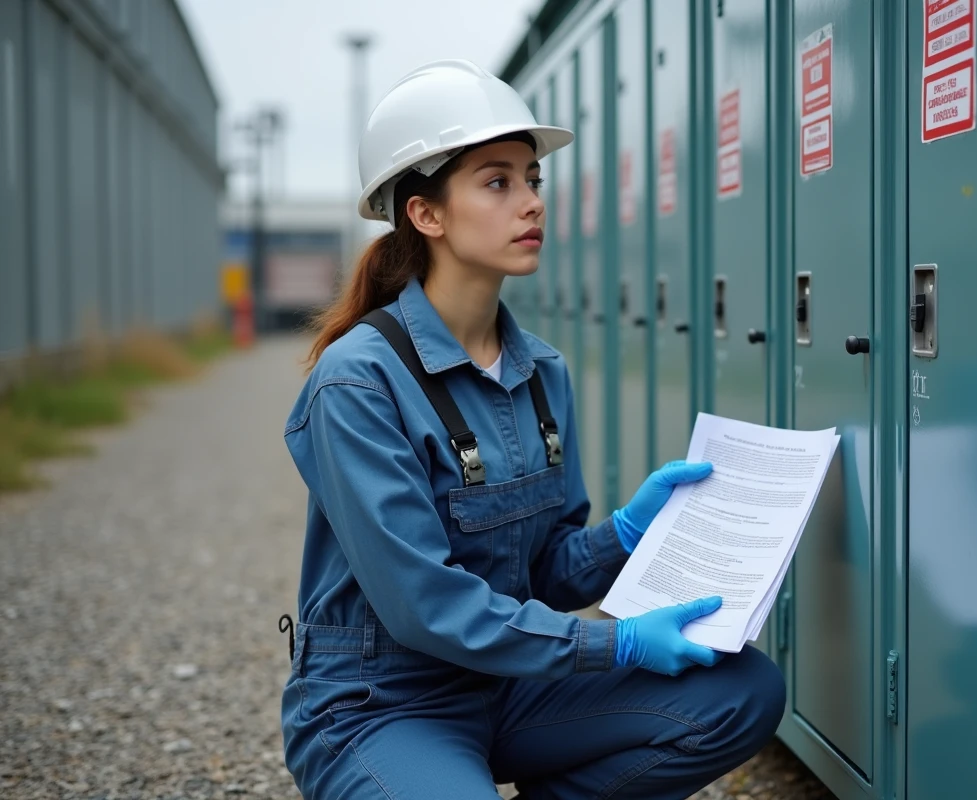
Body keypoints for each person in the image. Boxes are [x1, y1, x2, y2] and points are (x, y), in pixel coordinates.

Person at [278, 59, 785, 800]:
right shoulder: (359, 383)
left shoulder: (540, 371)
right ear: (426, 214)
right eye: (497, 182)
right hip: (382, 705)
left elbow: (542, 571)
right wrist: (621, 642)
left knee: (742, 692)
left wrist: (630, 533)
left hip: (509, 685)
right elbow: (426, 606)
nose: (531, 204)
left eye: (533, 180)